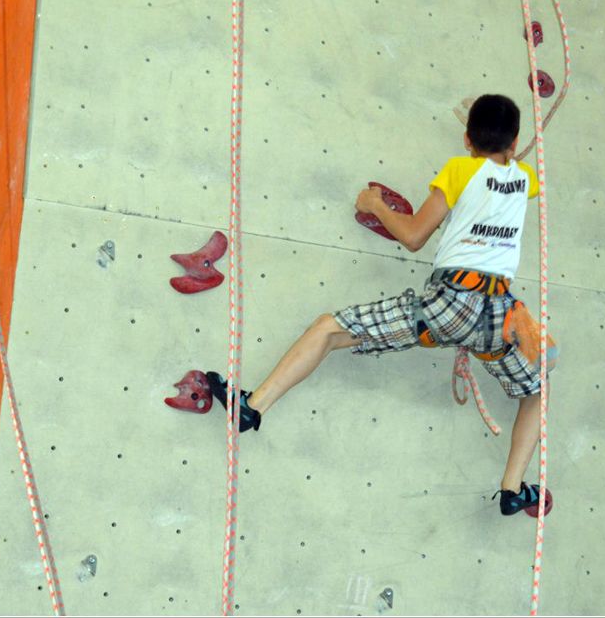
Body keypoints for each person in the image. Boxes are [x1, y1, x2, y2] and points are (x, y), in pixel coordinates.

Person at [205, 94, 554, 516]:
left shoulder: (459, 170)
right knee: (537, 388)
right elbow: (503, 166)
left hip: (451, 304)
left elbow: (414, 236)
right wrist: (497, 142)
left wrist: (375, 205)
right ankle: (512, 488)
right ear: (514, 143)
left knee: (329, 329)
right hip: (501, 316)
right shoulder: (526, 178)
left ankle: (252, 407)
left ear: (466, 139)